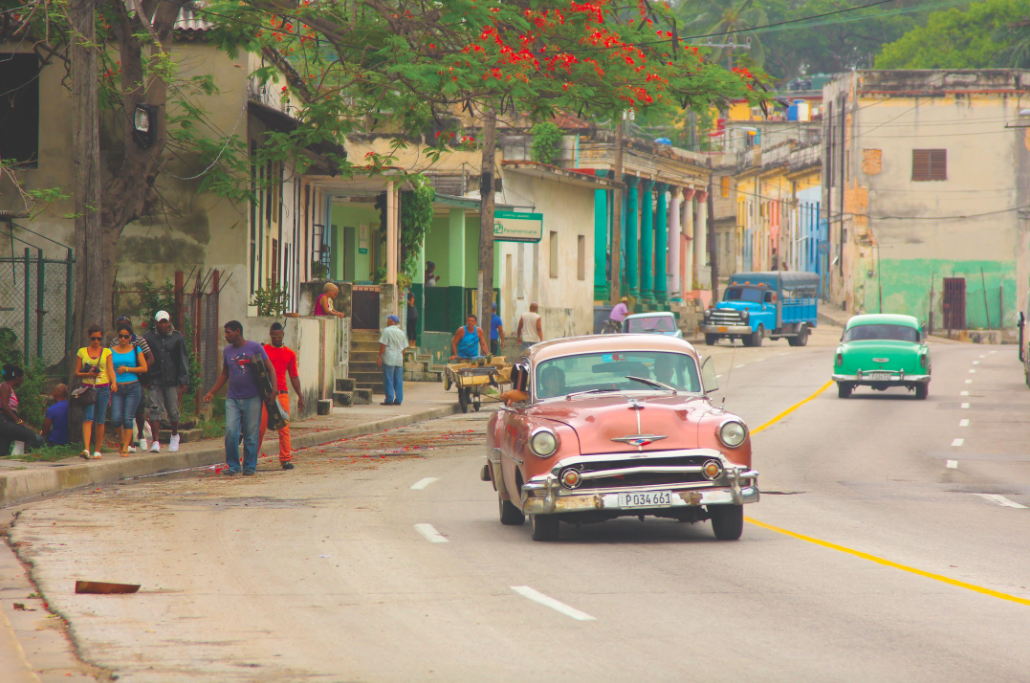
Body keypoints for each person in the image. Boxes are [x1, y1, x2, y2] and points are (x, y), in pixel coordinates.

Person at [203, 321, 276, 476]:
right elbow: (225, 374)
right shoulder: (227, 350)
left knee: (250, 433)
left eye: (228, 332)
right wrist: (212, 392)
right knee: (231, 431)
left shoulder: (255, 347)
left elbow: (270, 368)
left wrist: (274, 390)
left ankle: (249, 466)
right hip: (233, 398)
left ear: (238, 331)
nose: (226, 336)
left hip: (253, 398)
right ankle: (233, 465)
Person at [259, 322, 304, 470]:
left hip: (281, 394)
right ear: (270, 335)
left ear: (283, 335)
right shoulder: (263, 350)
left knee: (283, 427)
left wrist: (300, 396)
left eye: (279, 336)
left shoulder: (290, 354)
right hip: (265, 394)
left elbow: (294, 376)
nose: (277, 339)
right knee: (260, 428)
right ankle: (251, 458)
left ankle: (286, 459)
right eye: (274, 336)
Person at [143, 311, 190, 453]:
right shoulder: (148, 337)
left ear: (169, 322)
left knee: (173, 410)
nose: (163, 325)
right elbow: (143, 358)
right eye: (160, 322)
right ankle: (156, 441)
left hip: (171, 378)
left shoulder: (177, 338)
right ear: (156, 323)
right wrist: (145, 377)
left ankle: (175, 435)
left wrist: (184, 380)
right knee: (155, 409)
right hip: (154, 378)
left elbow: (182, 359)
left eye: (165, 322)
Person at [75, 325, 116, 459]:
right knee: (88, 418)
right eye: (94, 339)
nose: (96, 341)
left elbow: (110, 370)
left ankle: (97, 448)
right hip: (88, 387)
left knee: (100, 419)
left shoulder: (106, 352)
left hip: (103, 387)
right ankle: (86, 448)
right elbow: (77, 372)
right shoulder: (82, 352)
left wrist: (113, 383)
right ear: (89, 337)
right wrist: (87, 373)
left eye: (99, 339)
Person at [114, 315, 154, 453]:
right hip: (119, 382)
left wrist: (139, 373)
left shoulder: (139, 341)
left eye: (126, 324)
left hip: (135, 380)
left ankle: (140, 435)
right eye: (120, 324)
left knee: (139, 410)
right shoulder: (114, 342)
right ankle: (128, 442)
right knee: (122, 415)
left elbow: (149, 359)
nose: (123, 338)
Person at [0, 366, 43, 455]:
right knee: (30, 436)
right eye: (22, 377)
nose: (22, 379)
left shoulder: (7, 387)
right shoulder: (6, 386)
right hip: (4, 420)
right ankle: (26, 459)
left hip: (5, 421)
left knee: (3, 451)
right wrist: (17, 420)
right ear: (17, 377)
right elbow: (4, 405)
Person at [378, 314, 408, 406]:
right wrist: (401, 357)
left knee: (388, 379)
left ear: (391, 321)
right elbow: (404, 348)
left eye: (388, 320)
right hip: (398, 359)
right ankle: (399, 399)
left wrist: (379, 356)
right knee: (398, 379)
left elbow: (383, 345)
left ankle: (389, 399)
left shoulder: (387, 331)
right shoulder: (401, 332)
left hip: (389, 358)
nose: (387, 322)